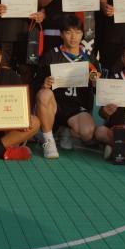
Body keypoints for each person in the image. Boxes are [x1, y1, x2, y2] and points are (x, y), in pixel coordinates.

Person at [33, 15, 105, 158]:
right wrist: (43, 84)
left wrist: (96, 83)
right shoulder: (51, 56)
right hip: (54, 106)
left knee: (88, 133)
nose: (73, 37)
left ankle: (66, 130)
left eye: (77, 32)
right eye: (68, 32)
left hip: (76, 108)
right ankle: (49, 141)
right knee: (44, 94)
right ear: (61, 34)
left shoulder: (89, 59)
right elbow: (35, 84)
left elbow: (98, 89)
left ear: (82, 34)